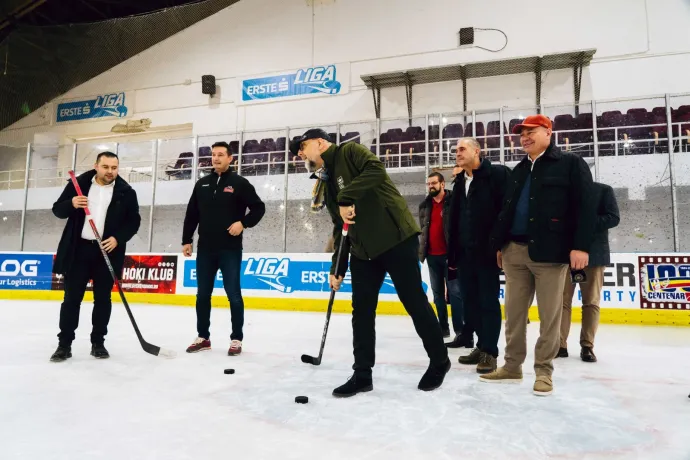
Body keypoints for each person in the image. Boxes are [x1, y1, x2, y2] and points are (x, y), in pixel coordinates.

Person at [291, 128, 451, 397]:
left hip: (396, 238)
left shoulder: (350, 151)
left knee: (414, 301)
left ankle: (439, 360)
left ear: (320, 143)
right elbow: (339, 227)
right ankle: (362, 373)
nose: (300, 153)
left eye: (303, 146)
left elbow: (377, 171)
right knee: (361, 311)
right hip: (364, 251)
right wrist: (337, 268)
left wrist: (346, 196)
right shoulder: (326, 183)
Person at [481, 114, 595, 396]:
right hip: (513, 252)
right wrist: (500, 245)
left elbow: (586, 207)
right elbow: (506, 211)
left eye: (531, 132)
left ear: (548, 132)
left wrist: (581, 246)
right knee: (515, 315)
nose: (525, 137)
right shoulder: (518, 170)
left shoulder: (570, 164)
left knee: (550, 317)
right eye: (521, 134)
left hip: (551, 254)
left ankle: (544, 371)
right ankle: (512, 366)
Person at [50, 151, 141, 362]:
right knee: (71, 299)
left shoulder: (126, 192)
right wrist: (71, 203)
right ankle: (64, 345)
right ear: (96, 166)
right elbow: (57, 210)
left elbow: (134, 221)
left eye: (114, 168)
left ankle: (98, 343)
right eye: (106, 167)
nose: (110, 172)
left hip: (107, 252)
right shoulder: (78, 185)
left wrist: (118, 238)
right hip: (79, 251)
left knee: (103, 299)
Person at [182, 141, 266, 356]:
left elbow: (258, 208)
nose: (216, 158)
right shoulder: (201, 184)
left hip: (230, 249)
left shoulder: (240, 183)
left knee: (234, 295)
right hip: (206, 249)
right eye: (213, 155)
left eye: (221, 154)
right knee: (202, 295)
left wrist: (243, 223)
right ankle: (203, 337)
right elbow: (192, 214)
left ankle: (236, 339)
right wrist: (186, 240)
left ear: (231, 158)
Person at [447, 138, 510, 374]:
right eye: (456, 151)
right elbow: (455, 220)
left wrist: (500, 246)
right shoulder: (460, 181)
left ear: (477, 151)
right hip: (464, 255)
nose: (458, 153)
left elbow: (505, 212)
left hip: (487, 254)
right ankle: (481, 345)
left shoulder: (497, 176)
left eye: (462, 149)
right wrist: (452, 254)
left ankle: (490, 352)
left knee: (488, 303)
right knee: (470, 304)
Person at [558, 182, 619, 362]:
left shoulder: (603, 190)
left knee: (591, 302)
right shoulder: (562, 192)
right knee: (561, 302)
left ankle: (587, 345)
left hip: (594, 255)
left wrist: (585, 221)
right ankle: (560, 344)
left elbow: (613, 217)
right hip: (564, 255)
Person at [418, 172, 465, 340]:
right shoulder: (424, 205)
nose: (431, 186)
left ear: (442, 184)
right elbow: (423, 230)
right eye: (428, 183)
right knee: (437, 294)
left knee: (455, 293)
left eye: (434, 183)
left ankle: (460, 331)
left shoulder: (454, 202)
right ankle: (443, 328)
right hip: (432, 257)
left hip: (450, 256)